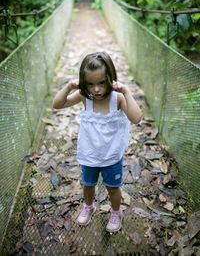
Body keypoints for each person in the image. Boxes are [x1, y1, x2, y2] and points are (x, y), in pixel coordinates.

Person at [53, 51, 142, 233]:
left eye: (102, 83)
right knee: (88, 185)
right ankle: (89, 206)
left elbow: (136, 118)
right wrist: (70, 86)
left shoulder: (117, 99)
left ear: (111, 79)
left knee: (112, 188)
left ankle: (116, 212)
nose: (96, 90)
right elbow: (58, 104)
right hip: (90, 154)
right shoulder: (85, 97)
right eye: (90, 84)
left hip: (111, 156)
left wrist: (125, 91)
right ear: (84, 83)